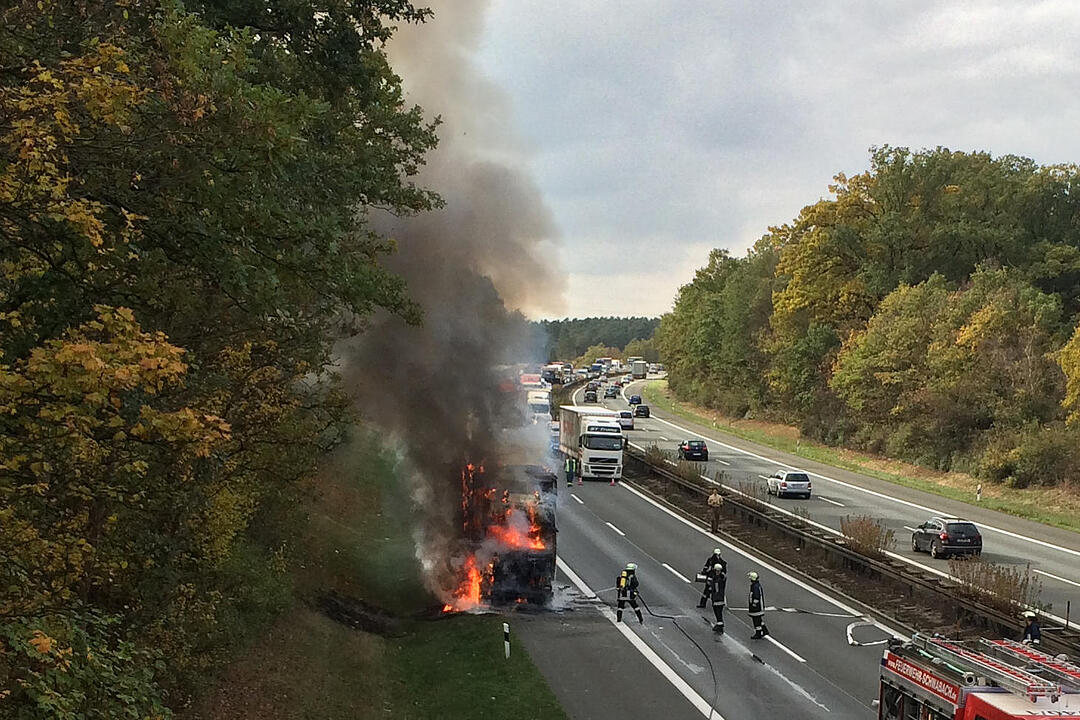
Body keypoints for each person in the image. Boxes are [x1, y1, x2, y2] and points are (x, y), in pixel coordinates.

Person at [706, 562, 727, 633]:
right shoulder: (717, 578)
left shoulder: (719, 579)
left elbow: (716, 588)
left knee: (718, 612)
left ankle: (720, 625)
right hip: (717, 598)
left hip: (718, 598)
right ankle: (719, 624)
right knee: (717, 612)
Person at [747, 571, 769, 639]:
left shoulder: (755, 587)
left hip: (757, 608)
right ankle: (764, 630)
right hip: (758, 607)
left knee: (756, 620)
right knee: (758, 619)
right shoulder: (756, 585)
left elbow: (756, 597)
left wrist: (753, 605)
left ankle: (758, 633)